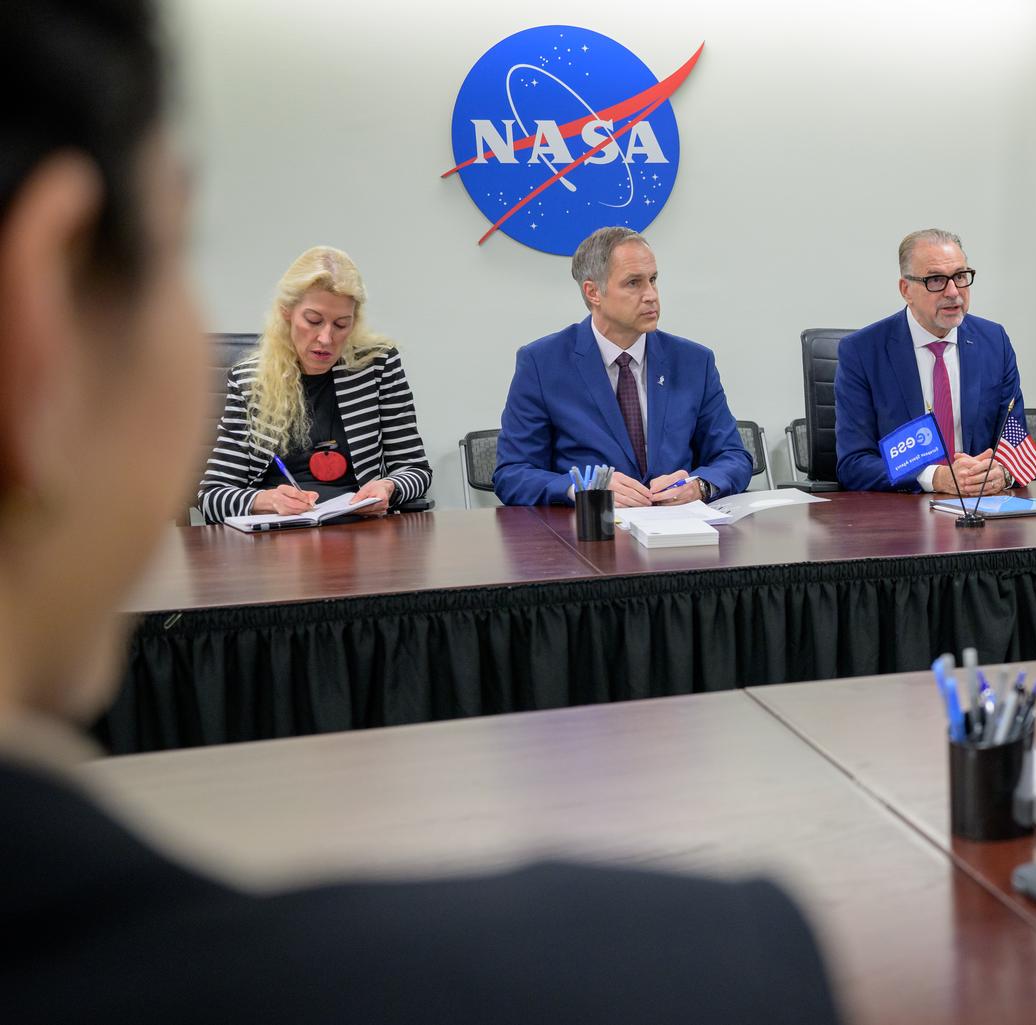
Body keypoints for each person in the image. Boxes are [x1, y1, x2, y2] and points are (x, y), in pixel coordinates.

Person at [0, 2, 839, 1022]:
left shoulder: (645, 364)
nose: (326, 335)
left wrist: (693, 481)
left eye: (339, 322)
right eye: (173, 253)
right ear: (41, 300)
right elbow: (497, 472)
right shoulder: (715, 960)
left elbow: (447, 471)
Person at [493, 227, 751, 507]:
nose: (651, 294)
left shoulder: (693, 362)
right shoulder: (543, 363)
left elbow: (733, 457)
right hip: (588, 537)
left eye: (653, 280)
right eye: (633, 283)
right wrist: (583, 489)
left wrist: (699, 486)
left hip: (679, 534)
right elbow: (512, 474)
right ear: (593, 292)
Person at [195, 247, 432, 523]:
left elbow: (416, 471)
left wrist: (389, 487)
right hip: (277, 542)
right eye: (313, 320)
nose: (326, 338)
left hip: (360, 532)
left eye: (341, 324)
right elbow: (212, 497)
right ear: (286, 314)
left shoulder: (377, 366)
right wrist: (265, 500)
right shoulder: (250, 381)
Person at [835, 228, 1030, 494]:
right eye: (936, 280)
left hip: (982, 507)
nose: (953, 292)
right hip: (904, 515)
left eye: (960, 277)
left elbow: (1015, 440)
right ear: (906, 289)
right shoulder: (863, 352)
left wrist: (1003, 473)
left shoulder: (993, 341)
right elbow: (854, 463)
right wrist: (934, 477)